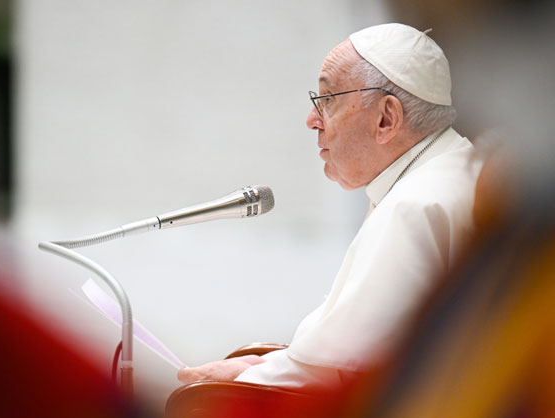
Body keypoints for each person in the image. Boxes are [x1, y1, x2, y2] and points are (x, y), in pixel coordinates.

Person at [177, 23, 485, 390]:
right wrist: (265, 364)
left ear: (386, 118)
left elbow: (352, 373)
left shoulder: (416, 204)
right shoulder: (453, 170)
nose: (313, 120)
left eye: (328, 100)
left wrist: (231, 384)